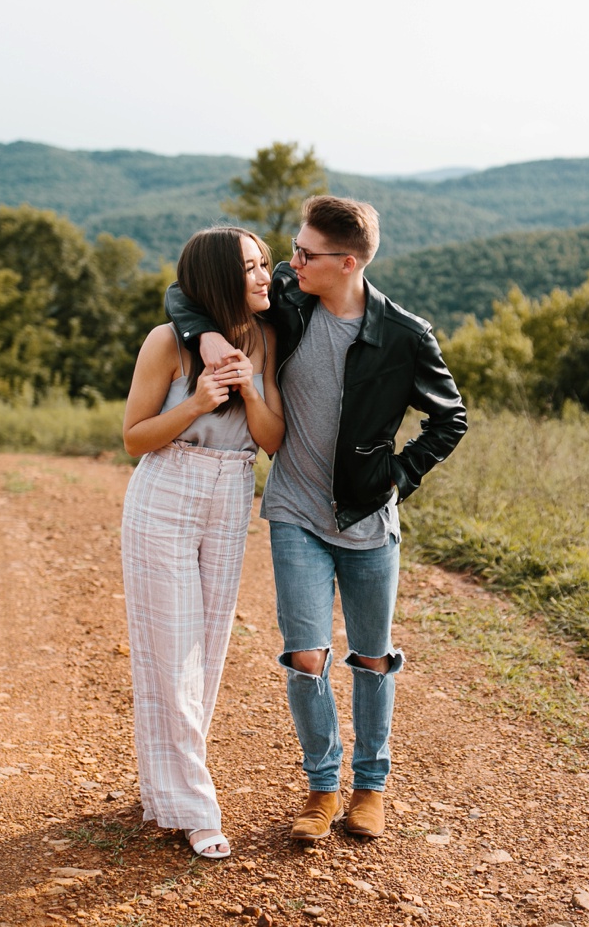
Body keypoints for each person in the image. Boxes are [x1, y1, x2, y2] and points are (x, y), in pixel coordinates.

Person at [166, 195, 466, 841]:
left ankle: (371, 787)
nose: (291, 261)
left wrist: (398, 476)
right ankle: (321, 789)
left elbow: (451, 418)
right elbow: (185, 292)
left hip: (368, 521)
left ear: (348, 262)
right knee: (306, 657)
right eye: (293, 251)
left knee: (371, 657)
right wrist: (208, 333)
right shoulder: (289, 301)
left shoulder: (404, 335)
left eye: (306, 253)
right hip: (295, 512)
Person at [120, 226, 284, 859]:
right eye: (251, 267)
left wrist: (245, 386)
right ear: (218, 278)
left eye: (267, 263)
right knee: (169, 650)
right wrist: (194, 403)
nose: (267, 275)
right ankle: (197, 806)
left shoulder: (265, 338)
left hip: (231, 493)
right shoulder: (167, 342)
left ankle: (166, 792)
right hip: (166, 488)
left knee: (207, 651)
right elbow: (134, 437)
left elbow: (270, 440)